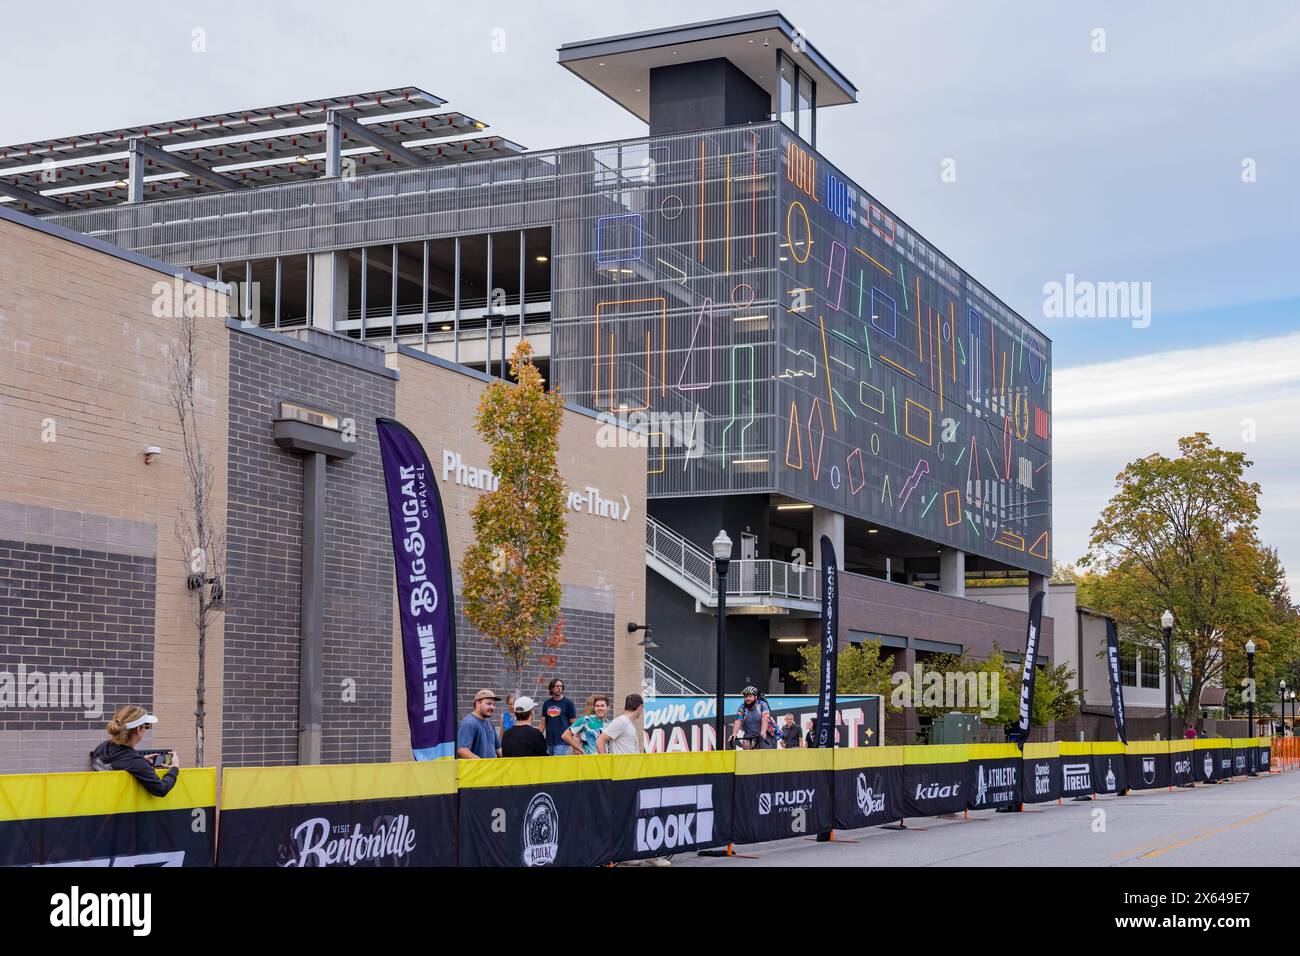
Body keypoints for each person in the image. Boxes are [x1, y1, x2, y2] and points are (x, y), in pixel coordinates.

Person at [90, 705, 180, 797]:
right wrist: (174, 769)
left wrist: (142, 761)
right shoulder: (135, 762)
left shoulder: (103, 746)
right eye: (146, 726)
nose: (146, 729)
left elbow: (120, 763)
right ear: (139, 730)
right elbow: (161, 789)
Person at [456, 689, 502, 759]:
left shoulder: (489, 722)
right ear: (478, 704)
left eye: (494, 704)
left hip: (491, 769)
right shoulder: (469, 723)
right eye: (489, 703)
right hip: (478, 769)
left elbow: (498, 748)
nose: (492, 707)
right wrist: (481, 764)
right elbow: (462, 750)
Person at [541, 678, 577, 756]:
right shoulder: (546, 703)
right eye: (557, 686)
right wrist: (537, 737)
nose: (559, 688)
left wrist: (575, 742)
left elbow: (574, 724)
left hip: (562, 741)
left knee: (557, 765)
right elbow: (542, 723)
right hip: (549, 741)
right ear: (551, 688)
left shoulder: (568, 703)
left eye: (561, 686)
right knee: (550, 766)